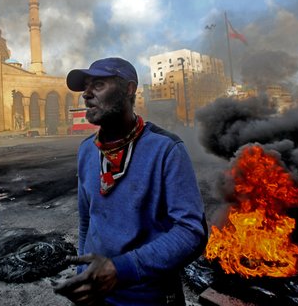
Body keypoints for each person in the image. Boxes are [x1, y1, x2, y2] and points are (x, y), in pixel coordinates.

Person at [54, 57, 208, 305]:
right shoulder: (86, 150)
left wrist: (121, 269)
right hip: (98, 295)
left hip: (149, 297)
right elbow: (87, 220)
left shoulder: (166, 149)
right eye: (86, 87)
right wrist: (83, 274)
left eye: (99, 84)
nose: (87, 94)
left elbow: (191, 232)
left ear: (129, 89)